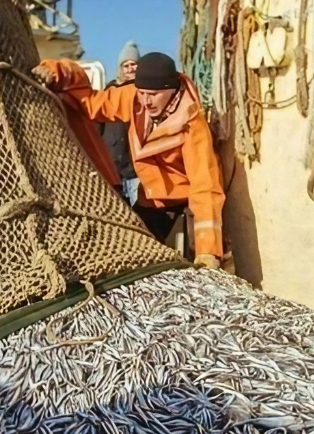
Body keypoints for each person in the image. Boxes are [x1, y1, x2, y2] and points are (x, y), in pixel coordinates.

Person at [36, 53, 225, 269]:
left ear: (172, 91)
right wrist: (58, 72)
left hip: (183, 201)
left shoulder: (192, 125)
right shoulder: (133, 97)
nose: (146, 101)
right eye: (142, 93)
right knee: (135, 256)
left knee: (199, 265)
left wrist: (208, 251)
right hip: (150, 200)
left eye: (153, 95)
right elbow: (92, 103)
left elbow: (206, 188)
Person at [102, 41, 139, 204]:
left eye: (134, 64)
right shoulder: (109, 93)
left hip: (136, 173)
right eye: (126, 65)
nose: (130, 68)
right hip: (112, 172)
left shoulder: (146, 94)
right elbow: (96, 128)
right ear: (120, 69)